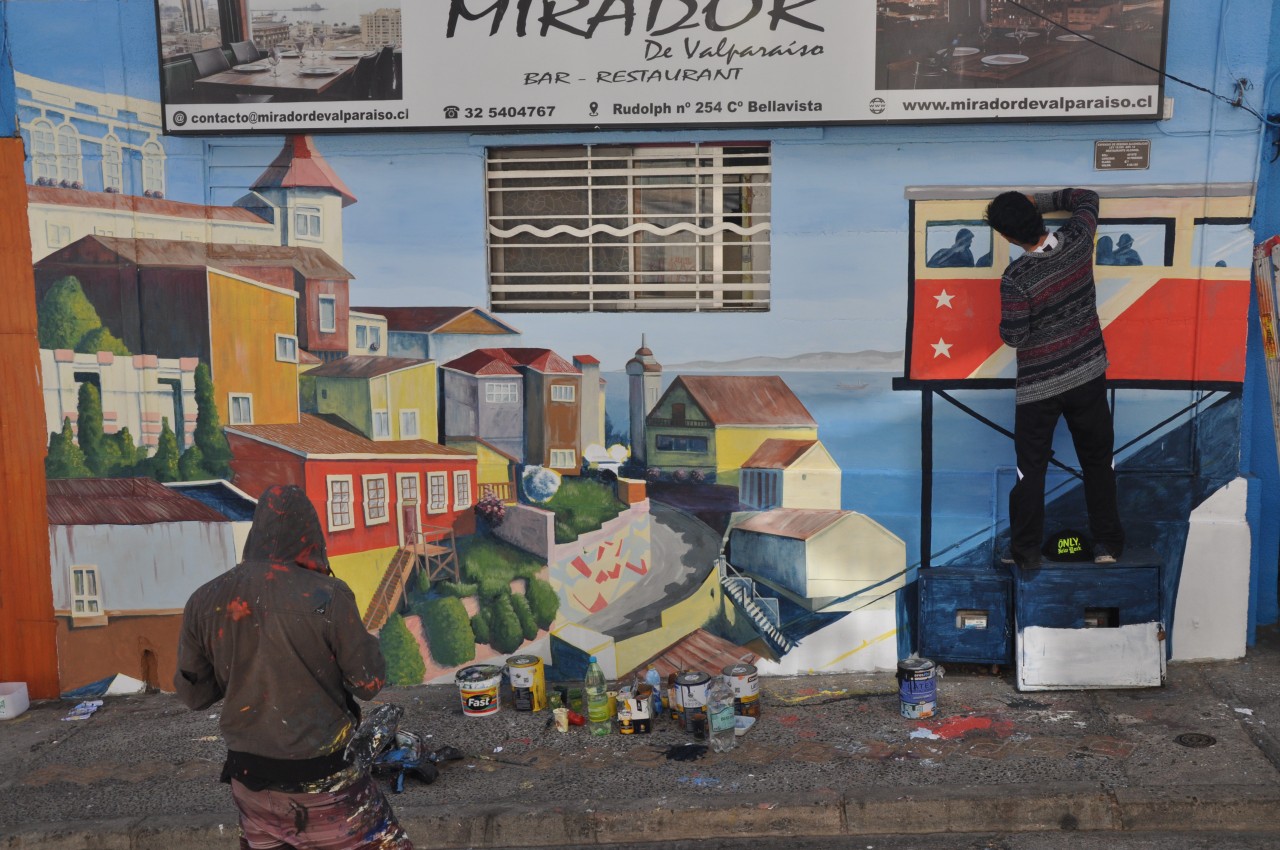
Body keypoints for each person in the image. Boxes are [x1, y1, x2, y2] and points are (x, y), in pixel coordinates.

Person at [175, 484, 412, 850]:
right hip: (322, 783)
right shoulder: (328, 595)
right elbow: (368, 683)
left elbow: (195, 695)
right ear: (310, 536)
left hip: (249, 784)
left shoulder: (204, 599)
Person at [984, 188, 1124, 569]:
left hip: (1039, 389)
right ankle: (1107, 546)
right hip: (1088, 374)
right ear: (1036, 216)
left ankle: (1026, 553)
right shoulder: (1079, 240)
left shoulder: (1016, 278)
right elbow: (1088, 198)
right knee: (1098, 461)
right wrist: (1040, 200)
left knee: (1031, 470)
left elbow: (1015, 336)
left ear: (1007, 236)